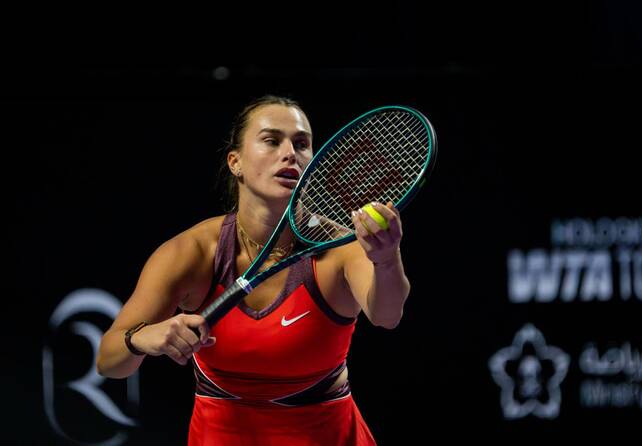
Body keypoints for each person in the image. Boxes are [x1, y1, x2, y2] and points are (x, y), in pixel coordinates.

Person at [96, 95, 411, 445]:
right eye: (271, 141)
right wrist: (140, 338)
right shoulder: (192, 252)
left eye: (301, 144)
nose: (290, 153)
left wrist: (386, 259)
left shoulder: (339, 247)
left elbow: (387, 315)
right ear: (236, 162)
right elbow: (109, 362)